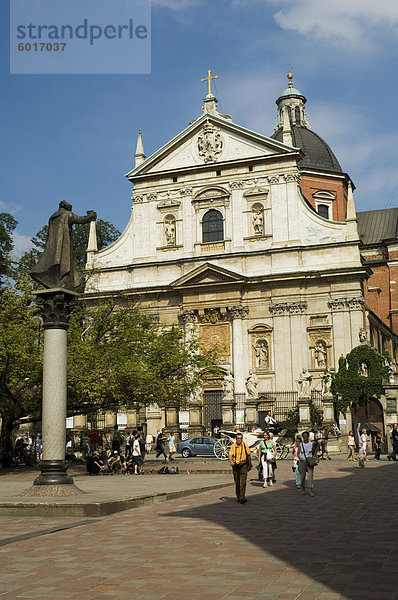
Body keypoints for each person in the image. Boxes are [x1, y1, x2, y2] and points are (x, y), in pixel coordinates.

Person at [30, 200, 96, 289]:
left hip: (52, 247)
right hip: (64, 245)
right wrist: (90, 216)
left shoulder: (52, 217)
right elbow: (81, 219)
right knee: (66, 265)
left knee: (56, 263)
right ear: (67, 208)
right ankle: (63, 282)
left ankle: (56, 282)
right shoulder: (67, 214)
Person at [229, 432, 251, 504]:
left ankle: (242, 497)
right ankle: (238, 496)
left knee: (243, 482)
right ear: (236, 439)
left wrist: (249, 465)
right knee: (237, 482)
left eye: (240, 439)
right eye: (238, 438)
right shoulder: (233, 446)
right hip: (235, 466)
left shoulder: (245, 446)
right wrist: (231, 461)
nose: (239, 440)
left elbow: (249, 455)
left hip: (243, 465)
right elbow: (230, 455)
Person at [297, 431, 317, 496]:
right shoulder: (300, 444)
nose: (304, 437)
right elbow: (298, 453)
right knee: (302, 477)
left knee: (310, 475)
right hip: (302, 461)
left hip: (310, 460)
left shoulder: (311, 444)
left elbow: (314, 451)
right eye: (303, 436)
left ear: (308, 436)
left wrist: (316, 457)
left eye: (306, 436)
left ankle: (310, 490)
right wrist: (300, 458)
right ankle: (303, 487)